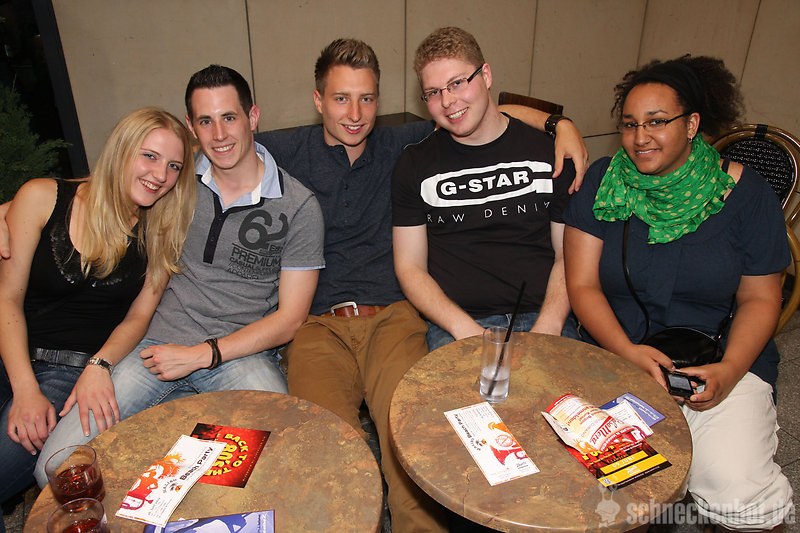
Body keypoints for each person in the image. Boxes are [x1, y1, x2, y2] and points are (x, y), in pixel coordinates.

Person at [252, 39, 588, 533]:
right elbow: (223, 142)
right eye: (341, 98)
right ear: (318, 100)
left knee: (418, 446)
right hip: (325, 324)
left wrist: (561, 124)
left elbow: (478, 110)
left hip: (404, 317)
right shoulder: (293, 151)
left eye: (367, 99)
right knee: (328, 452)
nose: (354, 113)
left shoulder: (402, 143)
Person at [31, 65, 325, 487]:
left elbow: (290, 318)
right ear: (191, 127)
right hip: (155, 347)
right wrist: (11, 210)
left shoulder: (298, 206)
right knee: (57, 471)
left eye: (229, 117)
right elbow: (102, 187)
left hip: (240, 355)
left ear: (253, 117)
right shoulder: (173, 181)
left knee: (276, 458)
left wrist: (205, 354)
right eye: (206, 121)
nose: (219, 134)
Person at [562, 56, 793, 530]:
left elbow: (760, 299)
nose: (640, 137)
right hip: (616, 355)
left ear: (691, 125)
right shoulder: (602, 184)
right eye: (630, 124)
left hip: (721, 361)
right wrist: (626, 351)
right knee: (595, 490)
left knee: (738, 494)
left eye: (656, 122)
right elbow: (582, 285)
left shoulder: (747, 196)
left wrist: (729, 370)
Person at [0, 107, 196, 512]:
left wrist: (100, 364)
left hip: (68, 375)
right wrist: (24, 388)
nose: (161, 175)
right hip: (10, 349)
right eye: (149, 156)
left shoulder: (161, 233)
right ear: (121, 150)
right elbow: (7, 298)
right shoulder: (42, 197)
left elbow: (138, 317)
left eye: (174, 166)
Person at [393, 27, 577, 352]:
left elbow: (569, 255)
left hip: (545, 316)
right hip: (458, 324)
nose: (447, 101)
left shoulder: (551, 154)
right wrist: (465, 330)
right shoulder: (415, 164)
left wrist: (548, 326)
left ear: (486, 75)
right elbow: (410, 268)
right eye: (433, 92)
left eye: (457, 83)